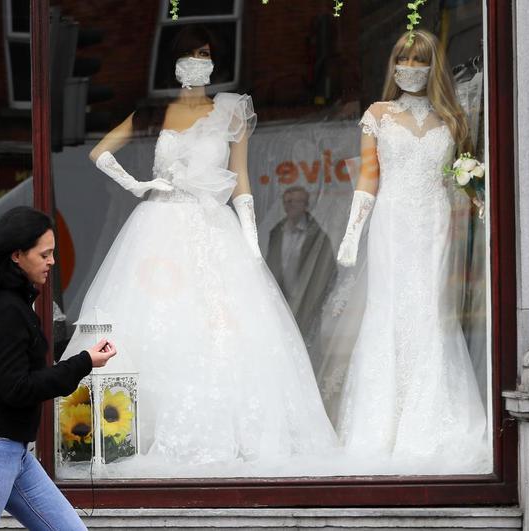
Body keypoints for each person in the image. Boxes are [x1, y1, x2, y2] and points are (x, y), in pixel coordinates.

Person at [59, 25, 337, 478]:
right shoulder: (154, 112)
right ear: (172, 62)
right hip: (159, 224)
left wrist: (250, 240)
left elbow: (241, 179)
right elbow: (101, 153)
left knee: (222, 329)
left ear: (215, 60)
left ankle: (229, 436)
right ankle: (116, 436)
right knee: (150, 321)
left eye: (203, 52)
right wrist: (141, 186)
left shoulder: (230, 112)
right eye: (188, 53)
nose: (196, 60)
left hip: (214, 229)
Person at [332, 29, 489, 473]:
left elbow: (466, 174)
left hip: (436, 222)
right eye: (405, 59)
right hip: (392, 221)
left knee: (429, 315)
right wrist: (352, 233)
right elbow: (368, 177)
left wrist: (481, 199)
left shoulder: (451, 118)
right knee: (390, 311)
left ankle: (430, 423)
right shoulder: (378, 115)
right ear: (394, 64)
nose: (412, 69)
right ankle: (382, 426)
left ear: (432, 66)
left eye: (421, 61)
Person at [0, 206, 117, 530]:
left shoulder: (7, 303)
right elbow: (17, 388)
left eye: (52, 253)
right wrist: (83, 363)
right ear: (17, 255)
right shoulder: (5, 308)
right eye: (45, 254)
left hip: (7, 451)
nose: (52, 261)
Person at [265, 185, 336, 368]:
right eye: (286, 201)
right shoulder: (276, 232)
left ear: (305, 205)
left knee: (306, 347)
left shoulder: (318, 236)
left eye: (293, 201)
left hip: (308, 303)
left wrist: (318, 300)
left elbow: (329, 270)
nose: (289, 205)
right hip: (281, 300)